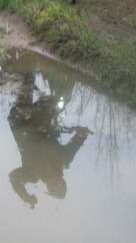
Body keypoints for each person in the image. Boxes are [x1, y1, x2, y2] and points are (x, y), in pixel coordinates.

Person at [7, 72, 89, 208]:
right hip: (41, 119)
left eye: (51, 188)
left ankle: (26, 69)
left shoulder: (33, 174)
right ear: (63, 182)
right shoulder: (64, 159)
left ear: (48, 188)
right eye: (57, 185)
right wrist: (82, 133)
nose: (53, 184)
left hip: (21, 122)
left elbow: (14, 178)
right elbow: (77, 141)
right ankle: (70, 73)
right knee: (62, 100)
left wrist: (25, 197)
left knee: (27, 83)